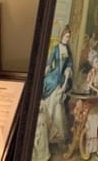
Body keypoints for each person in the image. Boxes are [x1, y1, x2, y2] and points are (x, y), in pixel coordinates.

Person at [40, 24, 74, 152]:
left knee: (58, 103)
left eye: (69, 37)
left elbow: (69, 64)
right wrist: (44, 74)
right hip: (54, 75)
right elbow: (49, 63)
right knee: (51, 99)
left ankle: (57, 135)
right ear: (62, 36)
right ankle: (48, 134)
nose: (67, 39)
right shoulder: (55, 48)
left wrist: (67, 72)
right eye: (66, 36)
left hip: (62, 77)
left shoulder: (68, 50)